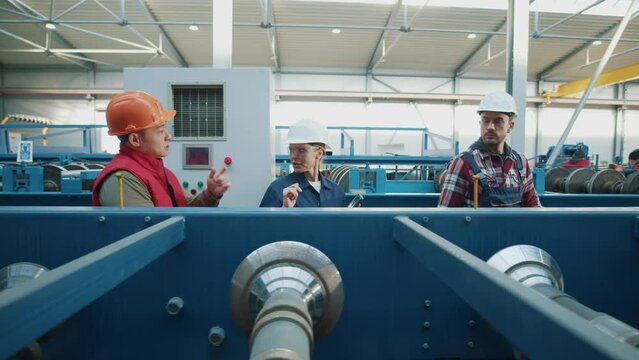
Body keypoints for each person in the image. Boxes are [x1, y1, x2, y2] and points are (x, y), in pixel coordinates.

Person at [92, 90, 230, 207]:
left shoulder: (163, 173)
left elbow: (188, 210)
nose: (168, 136)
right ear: (135, 139)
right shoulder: (122, 180)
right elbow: (145, 232)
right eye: (160, 130)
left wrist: (211, 194)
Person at [438, 91, 541, 208]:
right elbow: (445, 214)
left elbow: (534, 208)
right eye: (486, 120)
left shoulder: (520, 163)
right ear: (480, 123)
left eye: (498, 121)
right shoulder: (463, 163)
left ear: (510, 126)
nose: (490, 127)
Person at [260, 119, 345, 207]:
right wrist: (284, 209)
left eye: (301, 150)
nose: (293, 156)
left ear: (319, 153)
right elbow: (264, 221)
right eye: (291, 149)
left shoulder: (336, 192)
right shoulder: (278, 189)